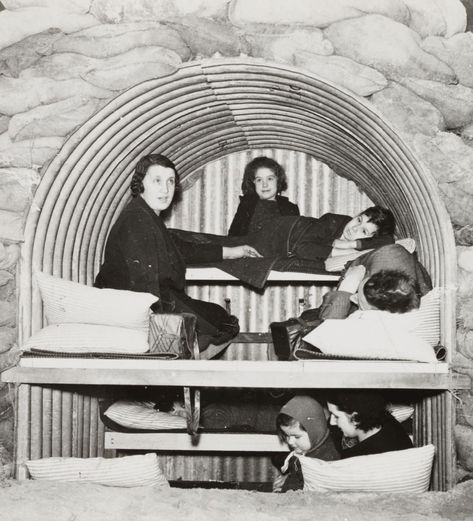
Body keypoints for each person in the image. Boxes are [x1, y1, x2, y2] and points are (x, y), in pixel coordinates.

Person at [94, 154, 261, 352]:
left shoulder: (147, 215)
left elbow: (181, 248)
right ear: (141, 185)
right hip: (133, 311)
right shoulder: (136, 220)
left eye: (170, 181)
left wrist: (232, 252)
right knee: (219, 325)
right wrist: (163, 338)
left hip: (158, 300)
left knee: (218, 316)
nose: (165, 189)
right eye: (157, 181)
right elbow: (144, 286)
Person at [274, 395, 340, 492]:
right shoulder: (309, 449)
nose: (290, 441)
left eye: (296, 437)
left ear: (315, 432)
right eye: (286, 435)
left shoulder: (325, 462)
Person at [326, 390, 413, 458]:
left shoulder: (358, 458)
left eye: (336, 416)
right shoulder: (387, 421)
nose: (332, 422)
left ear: (356, 418)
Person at [228, 156, 299, 236]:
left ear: (278, 180)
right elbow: (233, 238)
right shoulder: (246, 206)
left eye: (270, 179)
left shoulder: (290, 208)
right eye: (259, 180)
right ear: (253, 183)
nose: (264, 184)